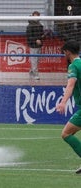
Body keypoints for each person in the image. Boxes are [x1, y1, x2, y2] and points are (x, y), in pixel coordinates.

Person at [56, 40, 81, 174]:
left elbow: (71, 85)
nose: (63, 54)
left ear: (68, 52)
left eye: (64, 52)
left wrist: (63, 102)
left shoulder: (73, 66)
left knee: (66, 133)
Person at [26, 11, 44, 80]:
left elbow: (41, 35)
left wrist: (43, 36)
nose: (36, 17)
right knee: (34, 60)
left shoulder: (40, 25)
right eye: (35, 16)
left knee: (37, 60)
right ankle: (35, 74)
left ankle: (31, 72)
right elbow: (29, 36)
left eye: (38, 16)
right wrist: (35, 40)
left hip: (39, 45)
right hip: (33, 45)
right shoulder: (30, 26)